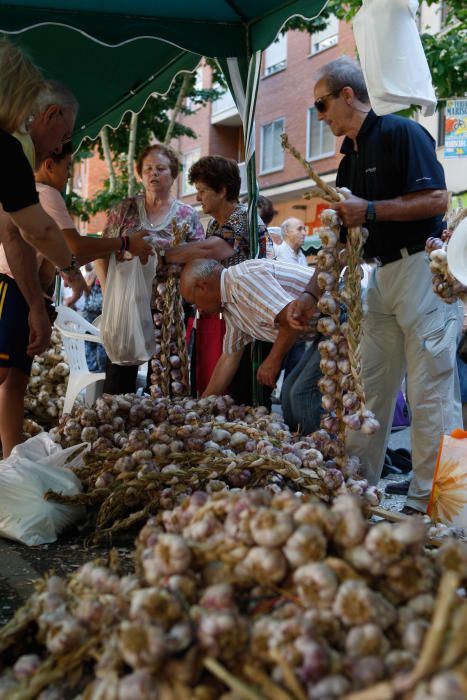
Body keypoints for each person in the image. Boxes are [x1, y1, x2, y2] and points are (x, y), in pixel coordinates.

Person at [288, 55, 461, 514]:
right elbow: (345, 239)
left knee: (431, 393)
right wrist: (308, 294)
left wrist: (367, 210)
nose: (320, 116)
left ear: (348, 96)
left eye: (321, 105)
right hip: (379, 276)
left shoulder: (402, 132)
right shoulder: (349, 160)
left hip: (422, 269)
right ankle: (356, 488)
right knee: (367, 389)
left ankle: (436, 503)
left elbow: (437, 198)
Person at [94, 143, 205, 394]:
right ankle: (115, 422)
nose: (154, 174)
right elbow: (101, 251)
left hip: (169, 308)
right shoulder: (125, 210)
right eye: (148, 169)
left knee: (167, 377)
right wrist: (109, 292)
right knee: (119, 374)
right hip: (127, 302)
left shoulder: (187, 215)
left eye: (161, 168)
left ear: (173, 174)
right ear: (139, 174)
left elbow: (198, 259)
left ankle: (161, 427)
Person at [180, 258, 322, 432]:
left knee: (300, 394)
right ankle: (301, 445)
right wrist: (202, 406)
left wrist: (272, 361)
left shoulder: (242, 282)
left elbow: (292, 318)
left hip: (339, 315)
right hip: (322, 328)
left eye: (195, 303)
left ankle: (315, 451)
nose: (198, 310)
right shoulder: (229, 307)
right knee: (289, 392)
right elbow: (229, 358)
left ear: (203, 286)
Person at [174, 155, 270, 404]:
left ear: (222, 190)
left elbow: (211, 252)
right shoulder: (215, 225)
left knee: (243, 394)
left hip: (250, 320)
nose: (198, 198)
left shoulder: (243, 217)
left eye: (202, 191)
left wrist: (164, 255)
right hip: (226, 320)